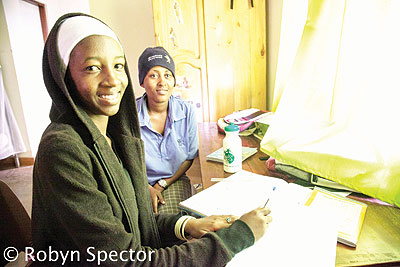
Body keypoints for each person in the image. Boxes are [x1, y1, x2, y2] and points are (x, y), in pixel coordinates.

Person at [31, 12, 272, 266]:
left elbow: (137, 220)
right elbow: (125, 261)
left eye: (117, 65)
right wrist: (236, 238)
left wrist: (188, 224)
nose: (112, 80)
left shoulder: (113, 136)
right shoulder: (63, 150)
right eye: (92, 67)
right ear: (64, 77)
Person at [136, 46, 197, 214]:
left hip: (173, 180)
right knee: (140, 223)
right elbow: (126, 164)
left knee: (172, 222)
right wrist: (147, 187)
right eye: (153, 75)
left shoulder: (187, 111)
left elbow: (189, 158)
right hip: (138, 183)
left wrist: (161, 184)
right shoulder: (130, 116)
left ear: (174, 81)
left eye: (167, 75)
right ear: (142, 81)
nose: (162, 82)